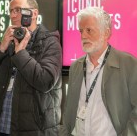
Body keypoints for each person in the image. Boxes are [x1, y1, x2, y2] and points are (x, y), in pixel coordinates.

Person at [0, 0, 62, 136]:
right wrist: (1, 48)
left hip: (34, 130)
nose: (13, 15)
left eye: (18, 10)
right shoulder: (8, 42)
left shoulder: (50, 42)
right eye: (11, 11)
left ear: (33, 14)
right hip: (1, 126)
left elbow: (45, 81)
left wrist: (20, 53)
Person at [59, 7, 137, 136]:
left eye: (89, 30)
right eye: (81, 31)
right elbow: (68, 110)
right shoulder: (76, 66)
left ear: (106, 33)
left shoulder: (129, 64)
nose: (83, 36)